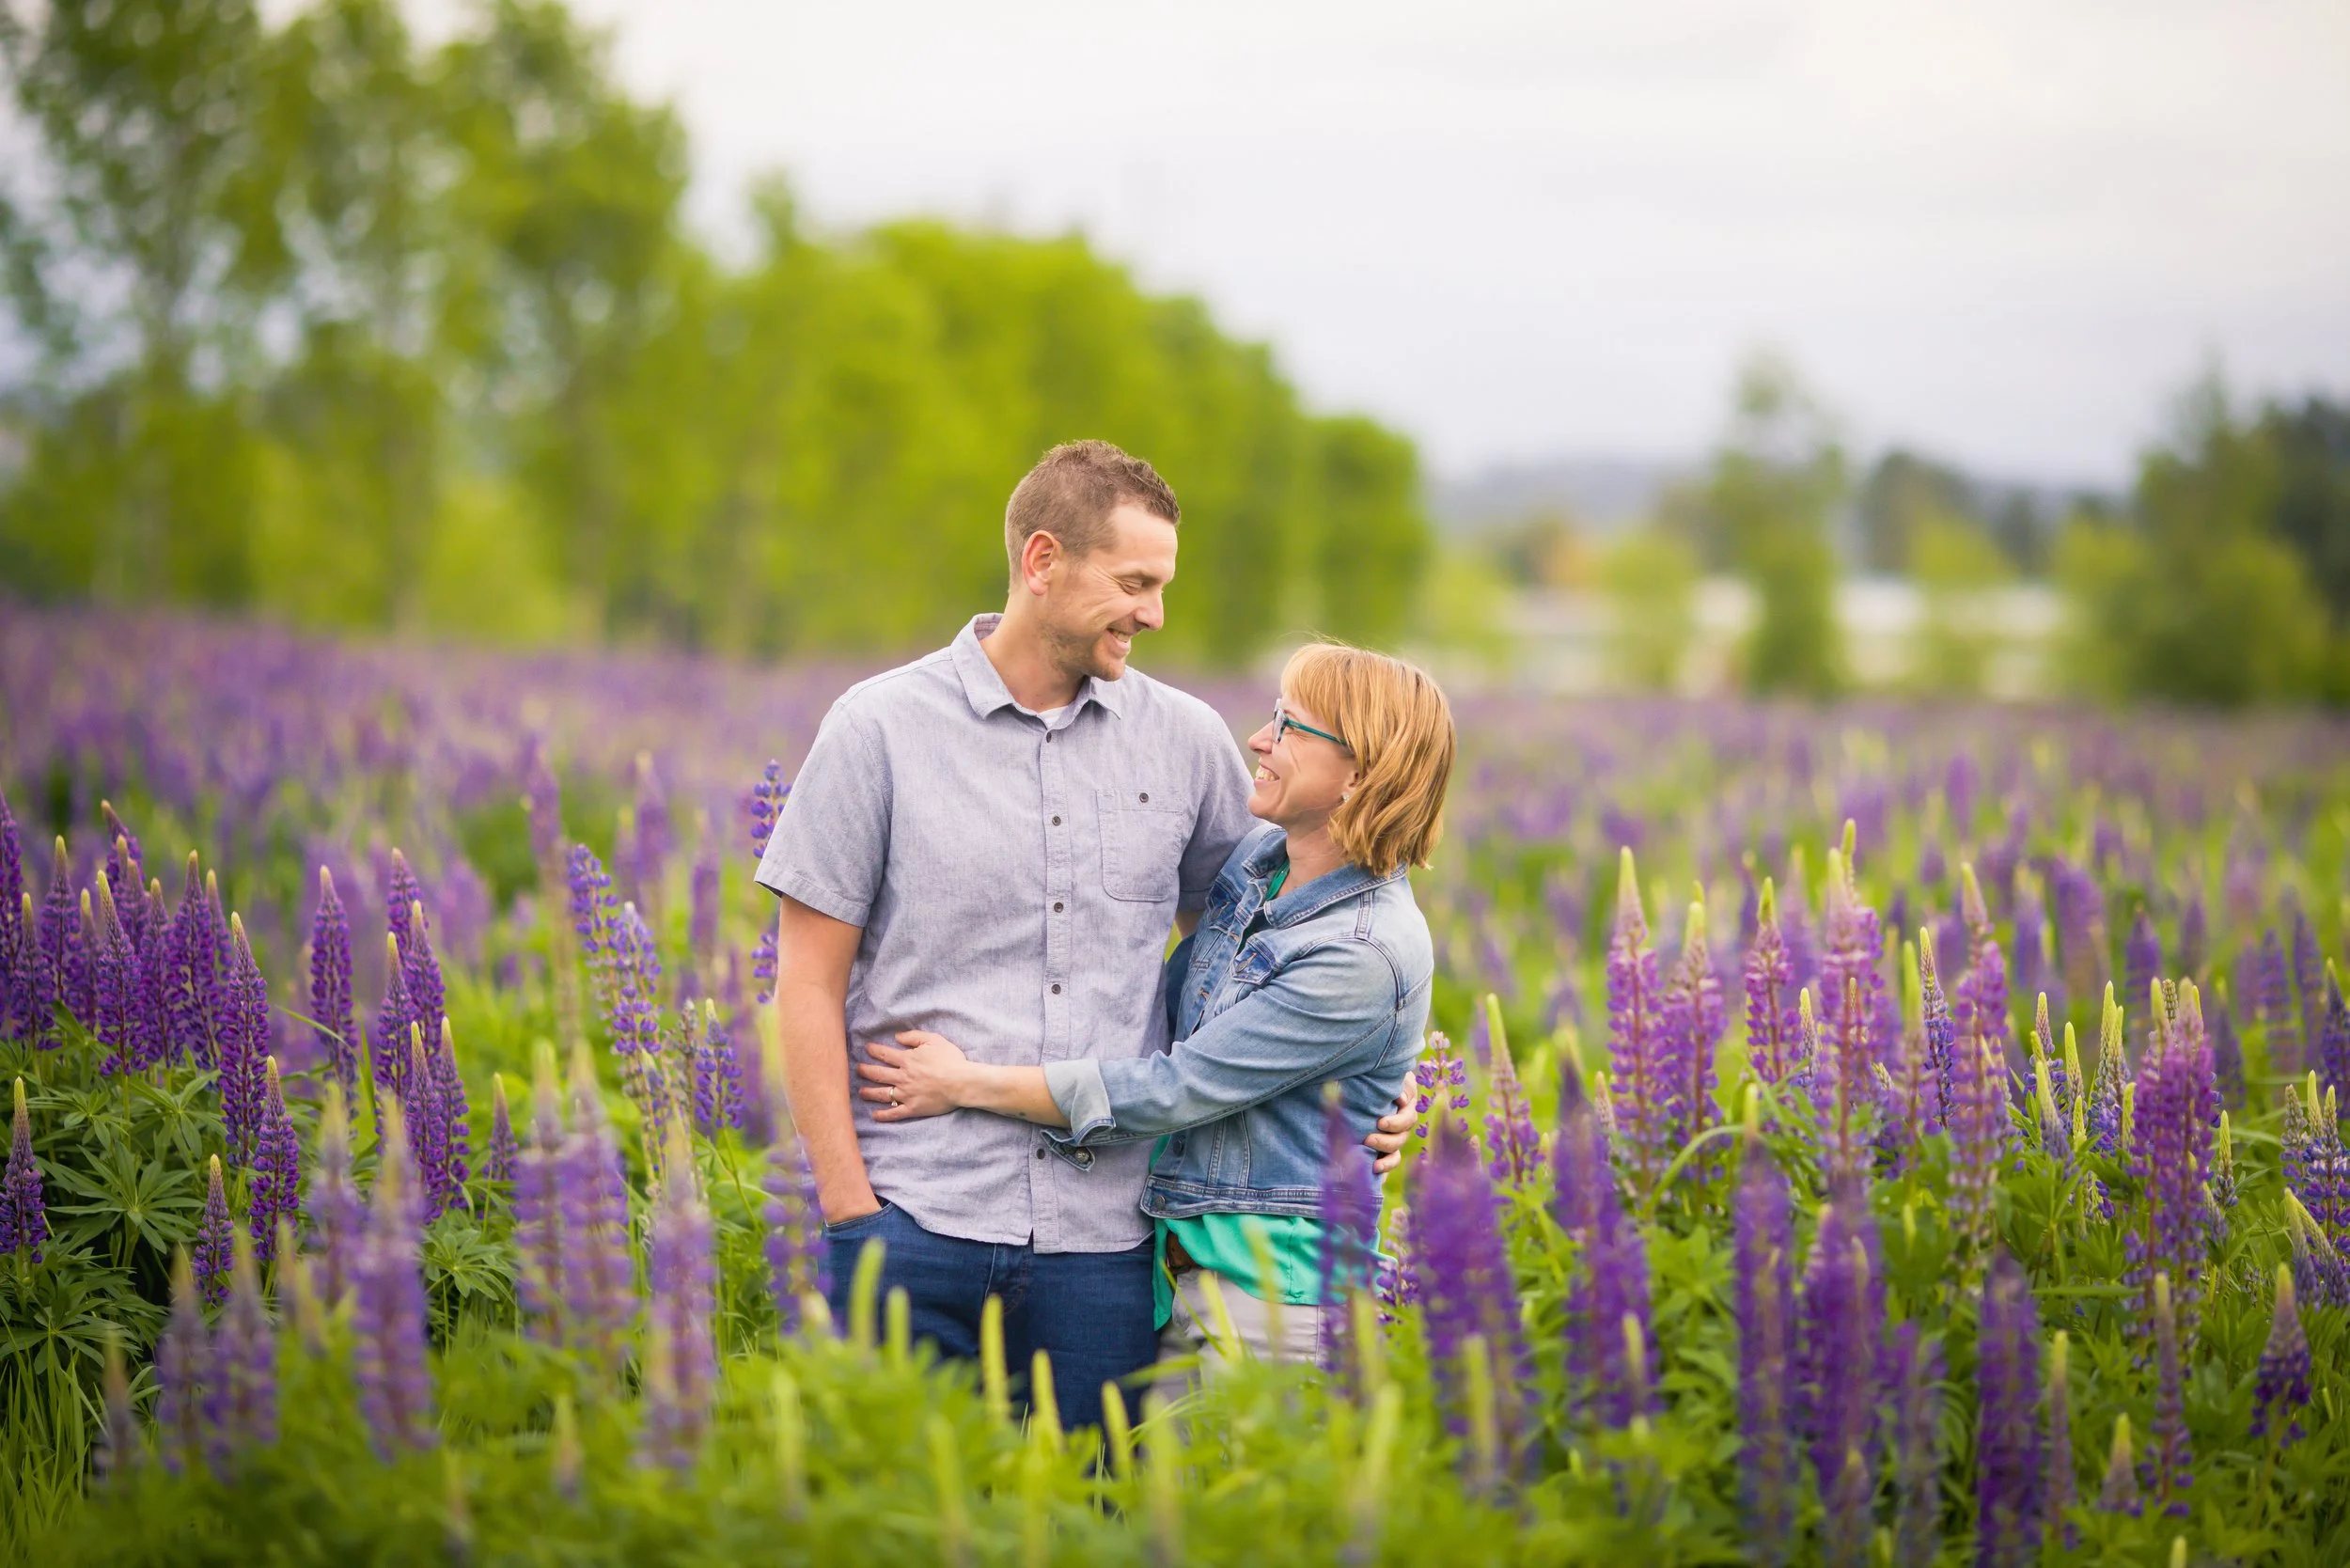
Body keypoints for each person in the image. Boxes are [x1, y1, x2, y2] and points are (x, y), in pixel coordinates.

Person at [754, 441, 1416, 1431]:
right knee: (890, 1516)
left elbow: (1266, 939)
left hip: (1107, 1242)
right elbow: (804, 982)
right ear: (1042, 562)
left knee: (1098, 1519)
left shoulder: (1185, 740)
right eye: (1135, 583)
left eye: (1162, 586)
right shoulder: (877, 729)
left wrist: (1365, 1082)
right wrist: (852, 1214)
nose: (1153, 613)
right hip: (916, 1216)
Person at [856, 642, 1452, 1383]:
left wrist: (965, 1083)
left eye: (1292, 729)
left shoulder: (1365, 950)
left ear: (1362, 773)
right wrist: (1385, 1083)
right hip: (1190, 1281)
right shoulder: (1261, 866)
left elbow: (1174, 1089)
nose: (1260, 741)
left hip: (1281, 1309)